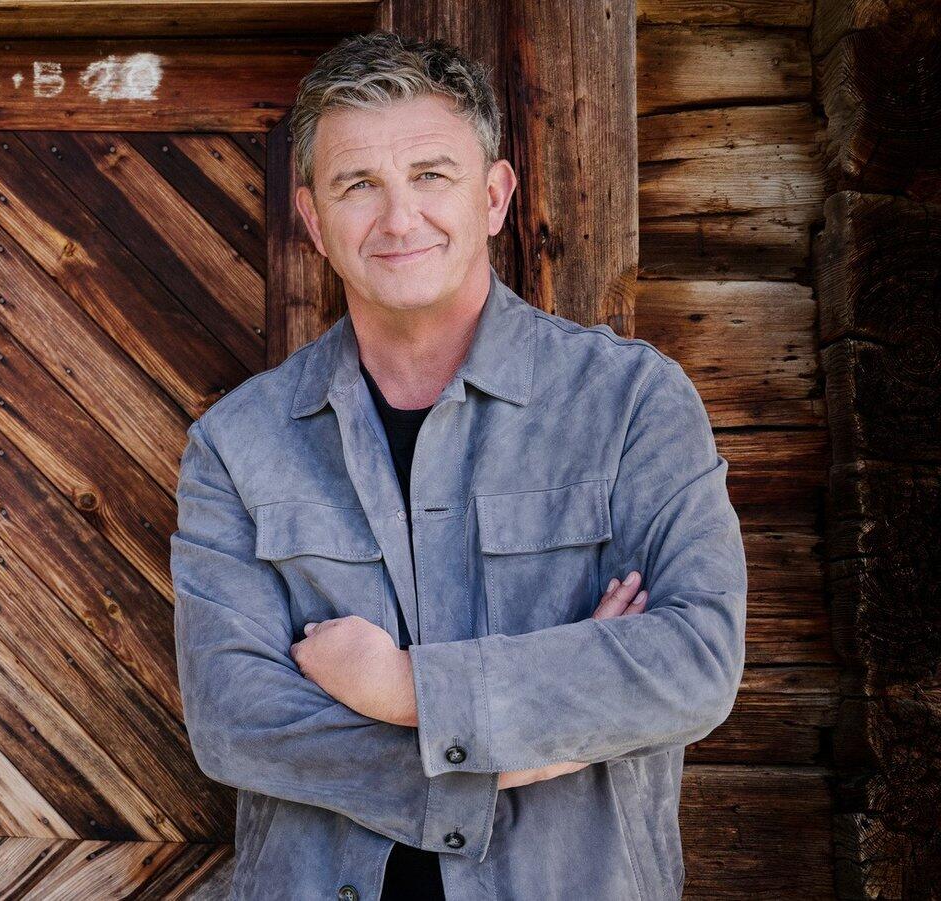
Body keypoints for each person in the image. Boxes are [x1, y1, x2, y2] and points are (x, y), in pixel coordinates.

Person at [169, 31, 746, 901]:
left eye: (431, 174)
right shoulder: (237, 445)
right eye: (358, 184)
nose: (400, 218)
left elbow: (692, 662)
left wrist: (404, 689)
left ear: (495, 195)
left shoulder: (631, 403)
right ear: (314, 220)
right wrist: (518, 750)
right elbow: (235, 722)